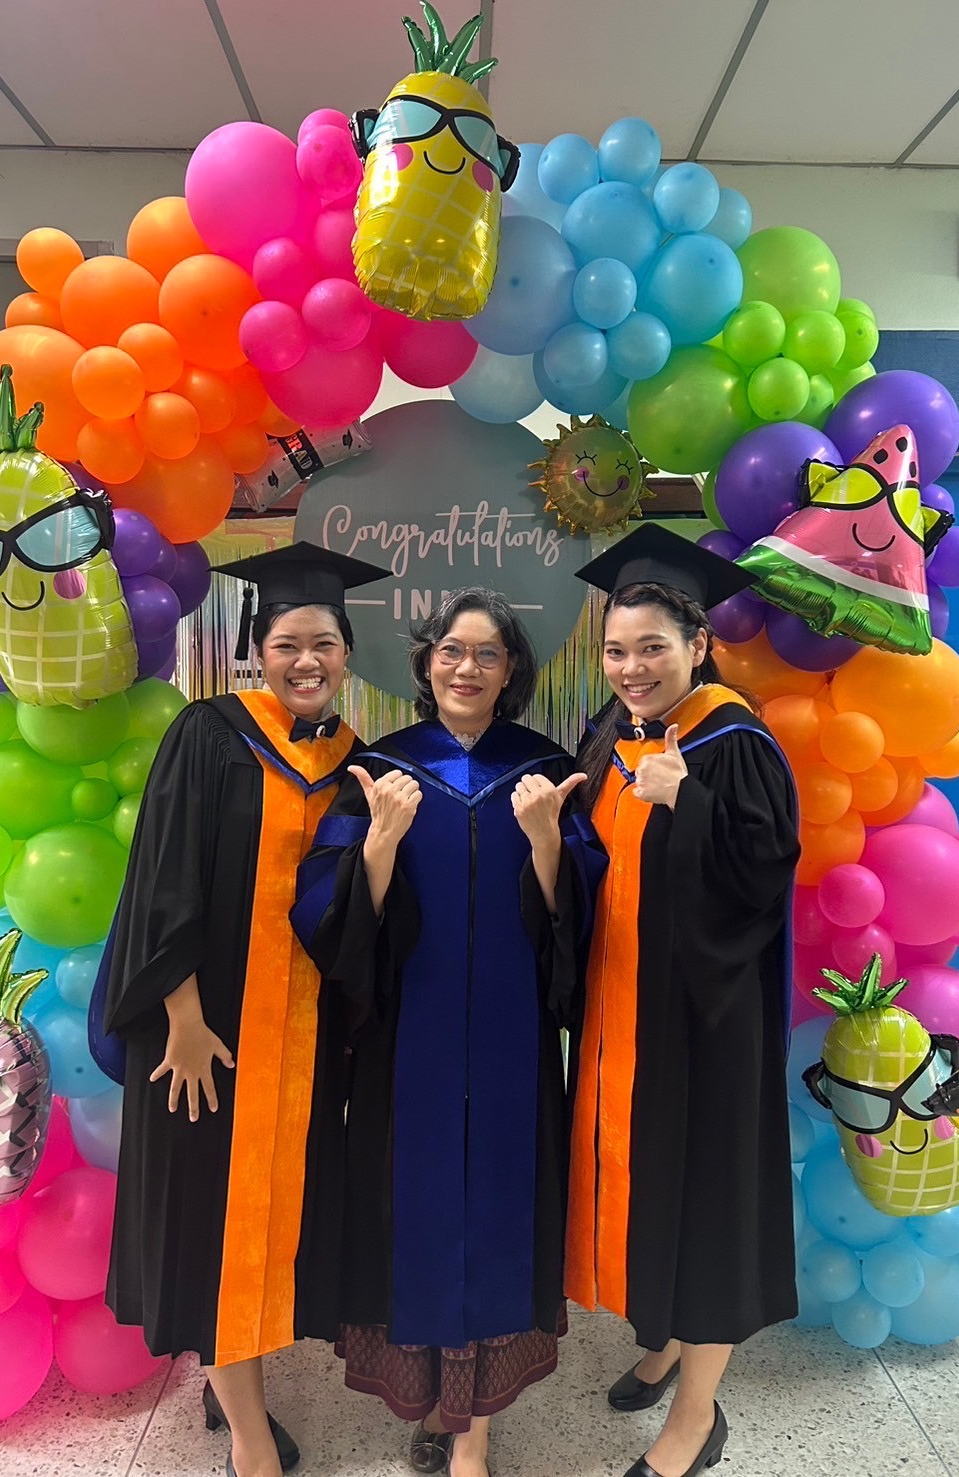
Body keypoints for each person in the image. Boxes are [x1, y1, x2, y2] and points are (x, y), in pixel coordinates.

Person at [97, 542, 391, 1477]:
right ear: (257, 650)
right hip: (205, 1031)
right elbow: (163, 879)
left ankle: (235, 1384)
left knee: (269, 1220)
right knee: (211, 1221)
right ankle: (251, 1437)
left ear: (347, 655)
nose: (307, 661)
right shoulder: (209, 733)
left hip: (301, 1043)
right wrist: (181, 1017)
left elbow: (354, 912)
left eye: (325, 644)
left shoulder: (357, 765)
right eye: (288, 642)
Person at [290, 587, 591, 1477]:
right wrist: (378, 844)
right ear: (426, 662)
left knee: (498, 1212)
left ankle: (475, 1434)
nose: (467, 667)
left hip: (511, 1043)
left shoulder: (545, 768)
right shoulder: (380, 769)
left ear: (511, 670)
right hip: (405, 1043)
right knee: (411, 1216)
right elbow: (324, 910)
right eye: (452, 650)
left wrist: (547, 841)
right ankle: (428, 1398)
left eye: (488, 653)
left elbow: (585, 912)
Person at [567, 524, 801, 1477]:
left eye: (653, 647)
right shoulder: (614, 737)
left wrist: (686, 800)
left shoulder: (731, 742)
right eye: (617, 649)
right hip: (628, 1016)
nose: (632, 667)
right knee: (653, 1190)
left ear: (698, 644)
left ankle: (697, 1418)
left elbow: (765, 875)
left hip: (707, 1023)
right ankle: (664, 1342)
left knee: (704, 1207)